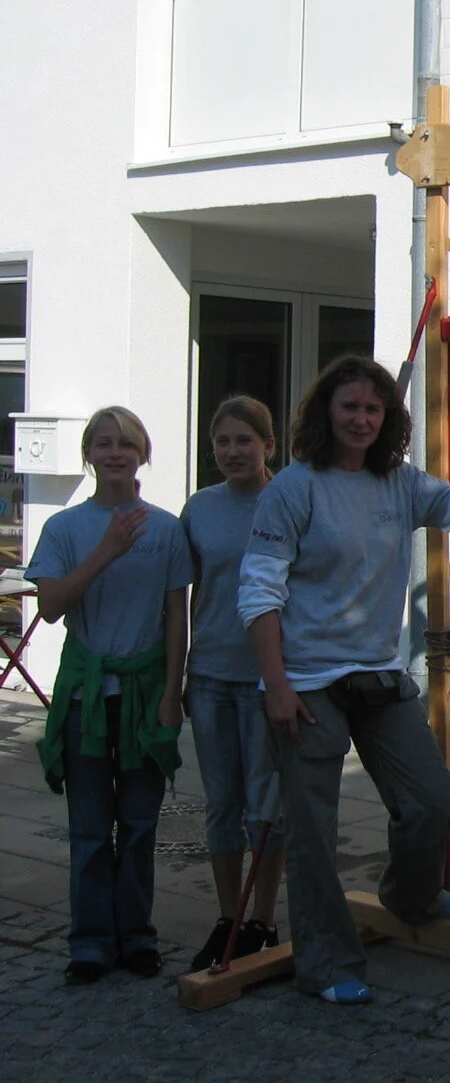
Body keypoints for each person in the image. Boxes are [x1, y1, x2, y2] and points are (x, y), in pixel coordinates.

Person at [239, 355, 450, 1005]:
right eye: (350, 408)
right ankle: (327, 961)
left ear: (387, 417)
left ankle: (409, 898)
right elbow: (257, 592)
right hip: (305, 682)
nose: (361, 419)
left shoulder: (398, 482)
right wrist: (276, 685)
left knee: (432, 803)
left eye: (373, 409)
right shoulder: (294, 488)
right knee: (313, 833)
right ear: (326, 413)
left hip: (375, 676)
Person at [28, 407, 191, 983]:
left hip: (146, 695)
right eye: (103, 443)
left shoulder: (168, 528)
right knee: (91, 827)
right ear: (88, 455)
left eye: (126, 443)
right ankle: (92, 941)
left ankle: (138, 935)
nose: (115, 452)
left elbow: (177, 615)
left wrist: (174, 692)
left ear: (143, 452)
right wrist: (107, 549)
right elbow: (49, 608)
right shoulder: (65, 529)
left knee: (142, 823)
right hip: (86, 700)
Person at [183, 396, 285, 971]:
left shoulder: (287, 500)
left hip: (265, 679)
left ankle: (263, 921)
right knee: (221, 805)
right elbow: (186, 596)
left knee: (264, 808)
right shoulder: (200, 508)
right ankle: (228, 917)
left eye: (244, 441)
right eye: (222, 442)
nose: (232, 452)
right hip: (211, 675)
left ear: (268, 445)